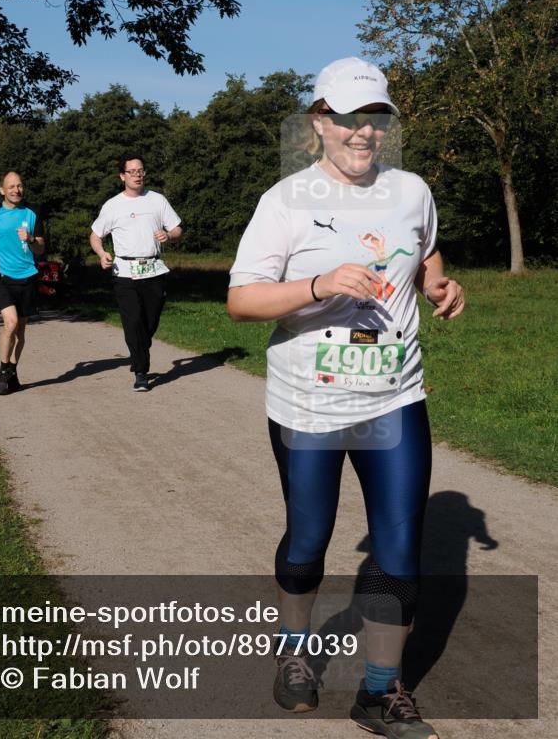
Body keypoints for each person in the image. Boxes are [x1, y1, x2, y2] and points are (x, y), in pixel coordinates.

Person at [228, 57, 464, 739]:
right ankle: (295, 651)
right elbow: (241, 301)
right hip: (308, 403)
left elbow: (426, 256)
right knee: (309, 538)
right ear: (319, 123)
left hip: (394, 395)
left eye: (376, 119)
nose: (363, 133)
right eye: (348, 119)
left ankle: (380, 693)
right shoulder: (284, 202)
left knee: (400, 550)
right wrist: (319, 284)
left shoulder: (413, 191)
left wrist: (440, 287)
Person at [90, 155, 182, 391]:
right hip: (125, 272)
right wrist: (101, 253)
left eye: (140, 170)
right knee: (132, 322)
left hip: (153, 269)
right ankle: (141, 371)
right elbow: (95, 235)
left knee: (149, 322)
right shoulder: (113, 205)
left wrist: (168, 235)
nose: (137, 175)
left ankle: (141, 348)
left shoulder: (157, 200)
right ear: (122, 176)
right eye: (131, 171)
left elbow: (177, 228)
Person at [0, 171, 45, 394]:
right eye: (12, 186)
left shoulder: (32, 213)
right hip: (1, 276)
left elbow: (41, 248)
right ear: (2, 190)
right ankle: (3, 368)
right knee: (11, 323)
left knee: (21, 332)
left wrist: (32, 239)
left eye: (20, 186)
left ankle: (12, 371)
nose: (16, 190)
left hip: (27, 276)